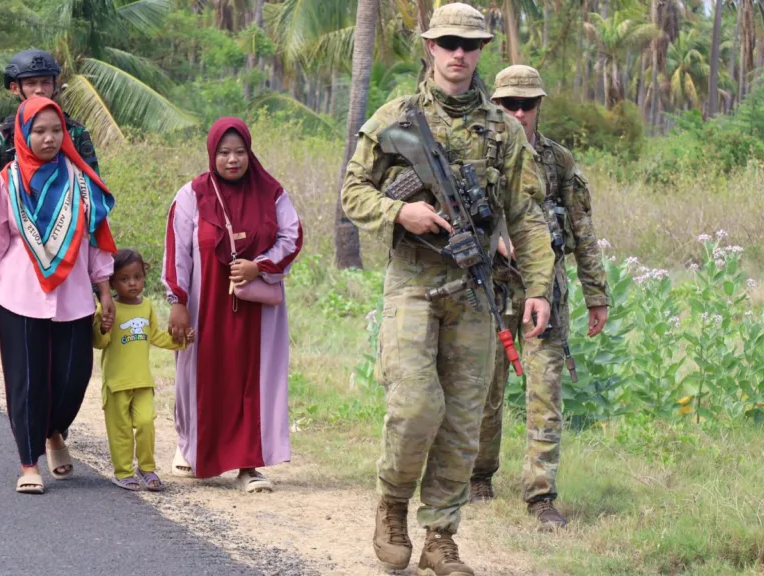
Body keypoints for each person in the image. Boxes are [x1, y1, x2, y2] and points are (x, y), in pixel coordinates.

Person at [341, 4, 556, 574]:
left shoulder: (505, 130)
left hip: (475, 288)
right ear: (430, 47)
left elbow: (527, 216)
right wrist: (400, 211)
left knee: (463, 421)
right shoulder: (396, 116)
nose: (459, 53)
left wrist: (538, 287)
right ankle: (391, 505)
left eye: (471, 44)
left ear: (482, 50)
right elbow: (352, 193)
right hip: (413, 281)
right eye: (449, 43)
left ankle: (440, 535)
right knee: (415, 407)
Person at [469, 65, 611, 529]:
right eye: (508, 104)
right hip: (490, 288)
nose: (518, 113)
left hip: (545, 290)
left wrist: (597, 293)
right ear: (495, 107)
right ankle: (479, 475)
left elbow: (583, 232)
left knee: (545, 390)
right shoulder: (475, 157)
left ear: (538, 108)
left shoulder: (559, 161)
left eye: (527, 105)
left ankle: (540, 495)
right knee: (486, 389)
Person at [0, 96, 117, 495]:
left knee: (73, 377)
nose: (49, 138)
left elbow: (96, 242)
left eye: (56, 130)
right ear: (23, 133)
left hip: (73, 297)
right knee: (27, 380)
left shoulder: (80, 181)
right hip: (19, 296)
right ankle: (28, 462)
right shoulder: (4, 182)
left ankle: (54, 430)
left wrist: (105, 291)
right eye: (39, 131)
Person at [160, 117, 303, 493]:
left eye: (240, 152)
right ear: (212, 154)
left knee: (251, 382)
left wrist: (260, 266)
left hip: (256, 309)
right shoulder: (192, 195)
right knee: (201, 377)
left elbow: (292, 237)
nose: (233, 160)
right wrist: (177, 301)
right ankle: (192, 447)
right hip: (206, 308)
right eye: (224, 153)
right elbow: (178, 252)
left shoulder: (271, 192)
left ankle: (248, 465)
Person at [93, 249, 194, 491]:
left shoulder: (147, 306)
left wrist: (181, 340)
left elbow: (156, 336)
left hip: (142, 382)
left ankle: (146, 467)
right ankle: (123, 471)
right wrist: (103, 327)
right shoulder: (108, 307)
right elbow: (98, 343)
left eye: (137, 277)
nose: (132, 284)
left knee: (146, 423)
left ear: (144, 276)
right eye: (125, 279)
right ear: (112, 282)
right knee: (121, 432)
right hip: (116, 383)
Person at [0, 49, 100, 221]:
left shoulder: (75, 132)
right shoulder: (0, 136)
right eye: (31, 83)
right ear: (15, 88)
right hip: (15, 226)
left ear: (55, 85)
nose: (39, 90)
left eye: (45, 82)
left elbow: (93, 184)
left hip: (67, 225)